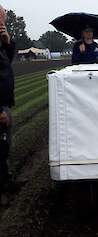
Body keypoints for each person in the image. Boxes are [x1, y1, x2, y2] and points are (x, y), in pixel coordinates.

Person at [0, 5, 15, 204]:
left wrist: (7, 43)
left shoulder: (2, 42)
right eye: (1, 21)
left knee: (4, 148)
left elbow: (7, 63)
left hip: (5, 103)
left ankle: (6, 182)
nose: (2, 25)